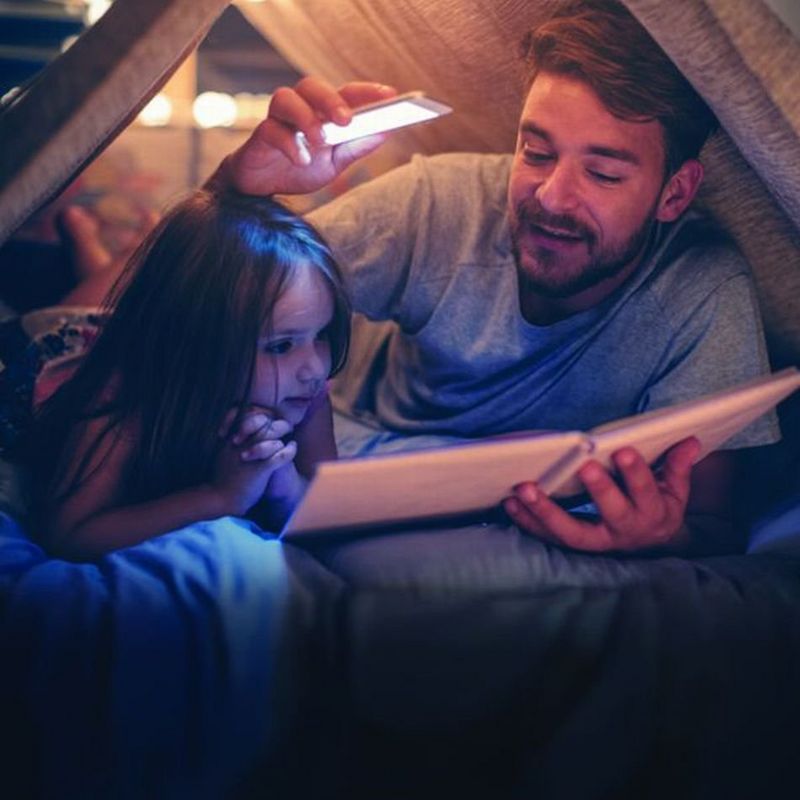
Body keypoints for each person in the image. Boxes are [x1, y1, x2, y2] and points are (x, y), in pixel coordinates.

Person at [204, 0, 779, 556]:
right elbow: (210, 298)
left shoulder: (703, 287)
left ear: (674, 193)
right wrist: (235, 187)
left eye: (602, 174)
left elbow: (714, 520)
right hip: (365, 438)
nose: (552, 197)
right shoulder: (439, 202)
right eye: (536, 152)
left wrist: (661, 538)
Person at [23, 188, 351, 560]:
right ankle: (100, 241)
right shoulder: (124, 396)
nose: (315, 369)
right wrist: (220, 496)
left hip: (131, 326)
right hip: (66, 344)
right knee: (82, 310)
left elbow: (327, 507)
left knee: (106, 298)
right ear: (197, 342)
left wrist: (284, 486)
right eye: (281, 346)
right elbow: (70, 534)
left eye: (320, 335)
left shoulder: (304, 393)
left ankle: (112, 252)